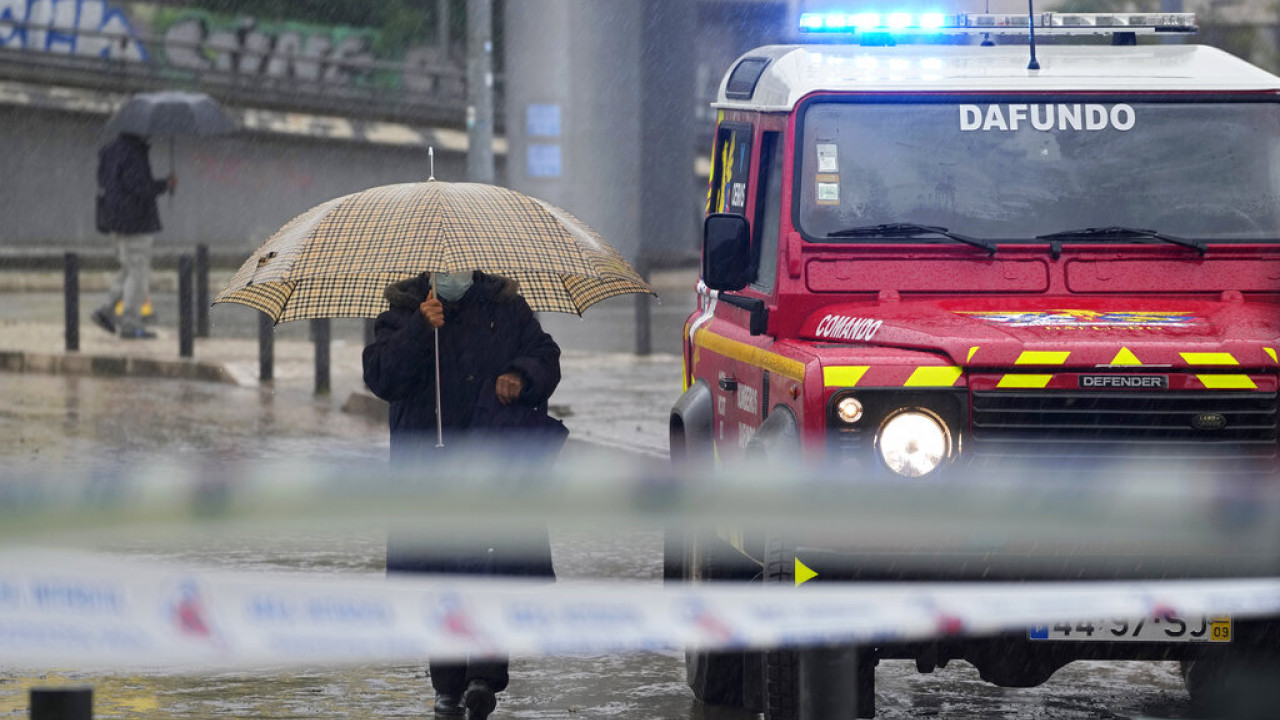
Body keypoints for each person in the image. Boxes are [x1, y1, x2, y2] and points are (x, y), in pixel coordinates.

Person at [362, 269, 562, 720]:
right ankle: (448, 688)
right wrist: (418, 327)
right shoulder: (403, 310)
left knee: (491, 564)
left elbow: (546, 356)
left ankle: (483, 678)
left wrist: (519, 375)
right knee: (441, 575)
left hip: (493, 463)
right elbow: (381, 378)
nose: (452, 273)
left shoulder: (505, 306)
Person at [92, 132, 175, 340]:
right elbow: (138, 186)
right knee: (138, 273)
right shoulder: (134, 152)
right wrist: (164, 185)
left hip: (114, 219)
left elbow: (104, 180)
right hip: (134, 221)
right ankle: (130, 323)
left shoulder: (110, 149)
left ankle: (106, 311)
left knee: (130, 269)